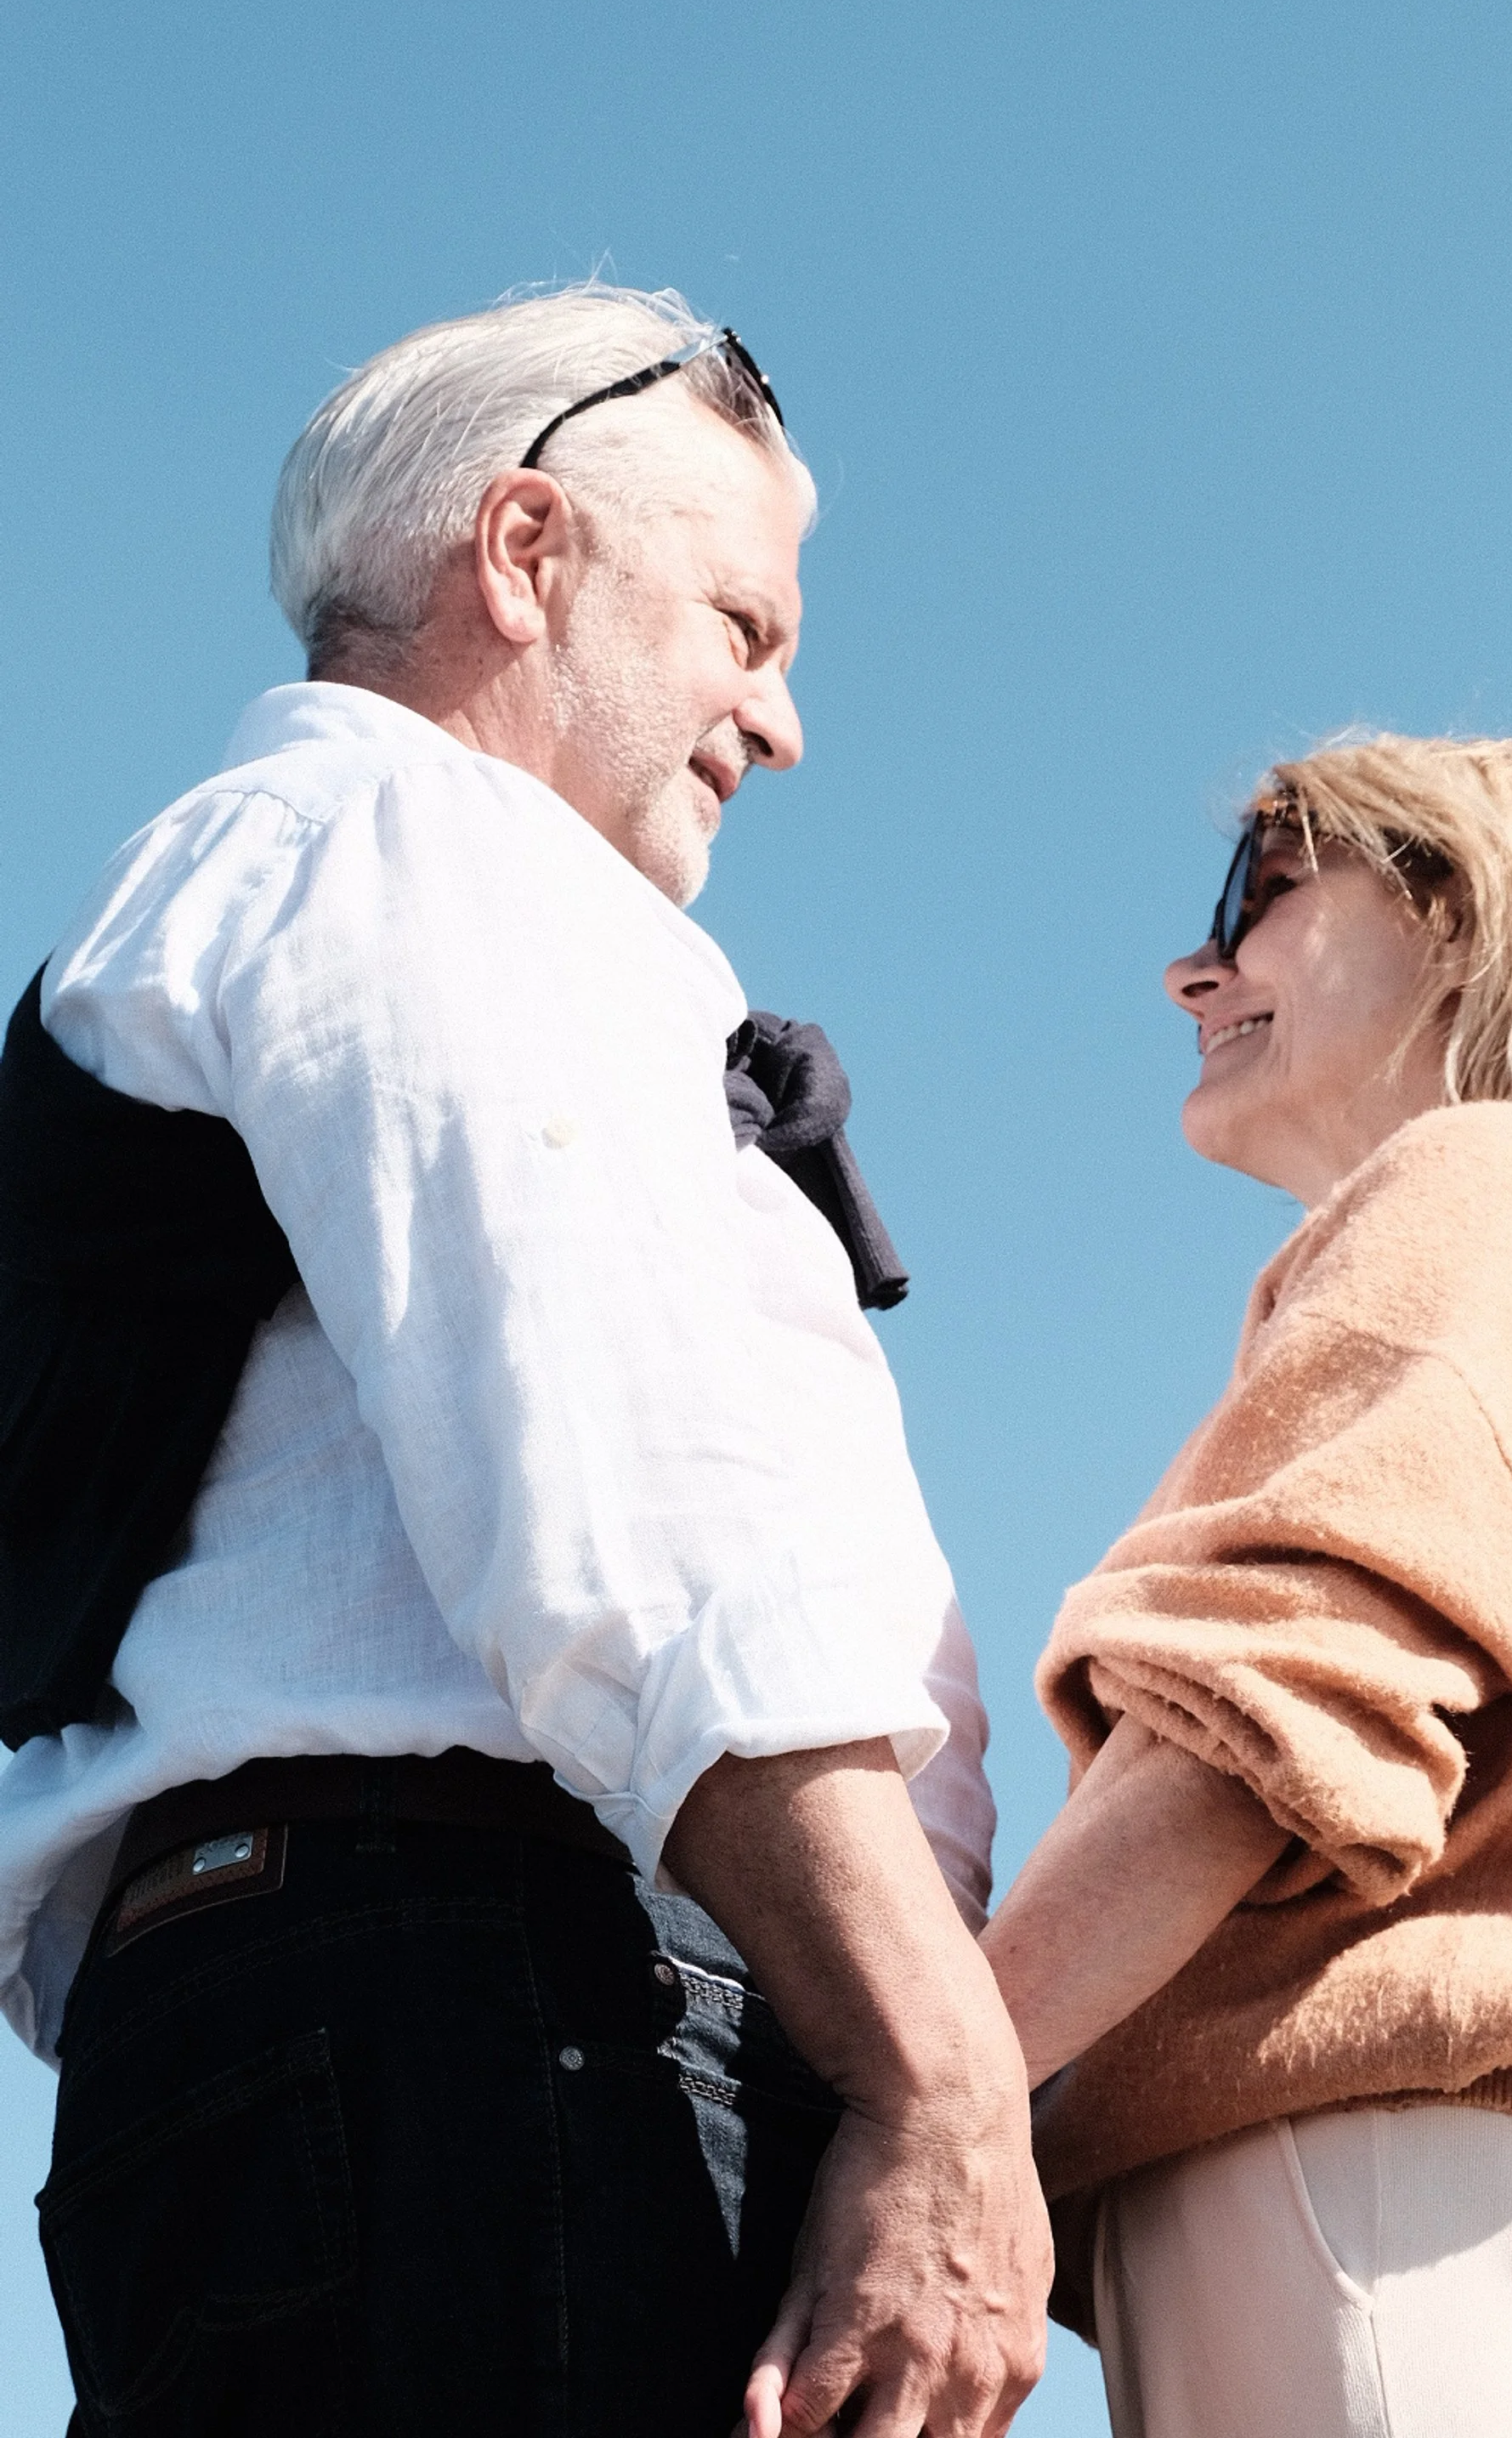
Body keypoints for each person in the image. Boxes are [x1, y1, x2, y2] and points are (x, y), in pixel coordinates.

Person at [0, 285, 1050, 2436]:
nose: (780, 721)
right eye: (742, 628)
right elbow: (629, 1501)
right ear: (522, 552)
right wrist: (943, 2080)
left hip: (370, 2026)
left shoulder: (301, 875)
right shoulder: (413, 838)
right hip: (496, 2011)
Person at [981, 734, 1512, 2437]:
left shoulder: (1483, 1181)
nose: (1195, 965)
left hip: (1381, 2203)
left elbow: (1275, 1706)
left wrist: (919, 2093)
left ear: (1460, 917)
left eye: (1260, 891)